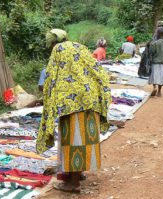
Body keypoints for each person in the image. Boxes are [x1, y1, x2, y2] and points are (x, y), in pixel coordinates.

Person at [36, 29, 111, 193]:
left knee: (73, 141)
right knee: (83, 139)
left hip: (72, 103)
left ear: (53, 43)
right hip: (89, 98)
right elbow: (96, 69)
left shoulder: (59, 50)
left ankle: (73, 183)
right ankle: (78, 174)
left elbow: (51, 76)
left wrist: (49, 99)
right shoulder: (79, 46)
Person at [149, 27, 163, 97]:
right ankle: (159, 91)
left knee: (154, 76)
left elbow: (151, 52)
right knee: (161, 78)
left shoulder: (155, 43)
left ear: (158, 34)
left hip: (155, 63)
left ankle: (154, 87)